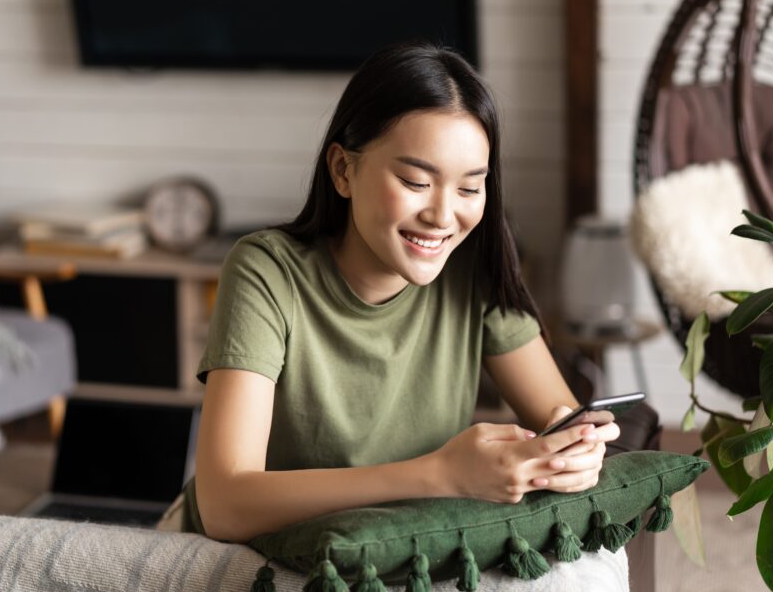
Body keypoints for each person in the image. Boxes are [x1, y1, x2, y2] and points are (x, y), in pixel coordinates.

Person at [184, 42, 620, 543]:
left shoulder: (473, 269)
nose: (442, 216)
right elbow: (223, 505)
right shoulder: (267, 271)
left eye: (469, 188)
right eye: (416, 181)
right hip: (265, 554)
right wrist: (441, 475)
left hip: (405, 545)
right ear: (343, 170)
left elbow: (557, 418)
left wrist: (574, 450)